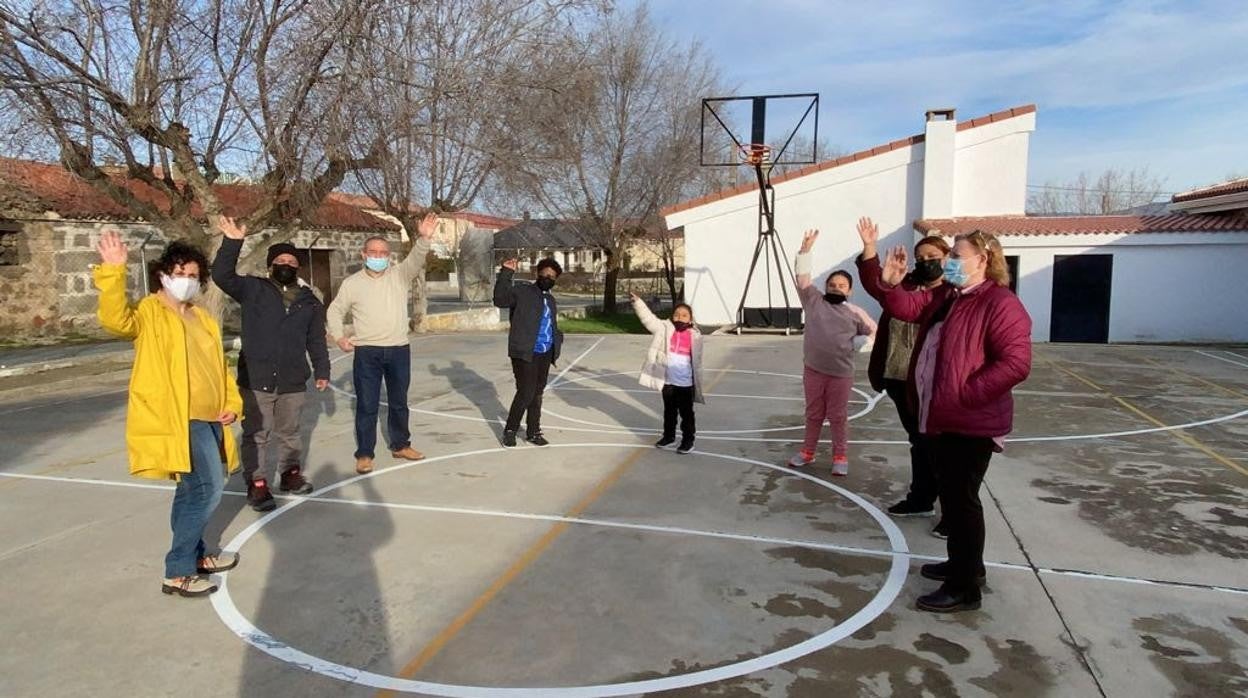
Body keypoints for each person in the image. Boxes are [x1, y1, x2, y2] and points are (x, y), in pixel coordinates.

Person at [879, 229, 1031, 613]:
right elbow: (908, 310)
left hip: (969, 422)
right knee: (955, 499)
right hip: (942, 417)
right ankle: (965, 566)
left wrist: (966, 394)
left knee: (961, 504)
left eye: (957, 256)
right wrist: (892, 286)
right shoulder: (949, 296)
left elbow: (1015, 363)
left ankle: (964, 588)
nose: (949, 262)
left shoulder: (999, 303)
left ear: (983, 260)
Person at [93, 231, 242, 598]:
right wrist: (114, 271)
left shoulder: (201, 317)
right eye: (181, 273)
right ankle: (177, 571)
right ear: (163, 274)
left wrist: (232, 404)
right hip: (179, 418)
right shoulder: (149, 312)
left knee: (190, 490)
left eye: (194, 275)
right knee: (208, 490)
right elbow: (115, 321)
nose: (187, 281)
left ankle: (197, 554)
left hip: (210, 416)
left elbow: (219, 367)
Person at [211, 218, 331, 512]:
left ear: (298, 266)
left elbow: (315, 338)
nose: (286, 264)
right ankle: (257, 483)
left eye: (291, 260)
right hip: (257, 376)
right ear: (270, 265)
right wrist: (232, 242)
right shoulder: (253, 289)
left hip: (292, 379)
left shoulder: (310, 301)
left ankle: (289, 474)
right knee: (257, 433)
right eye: (280, 259)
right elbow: (222, 275)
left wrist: (322, 370)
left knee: (289, 432)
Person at [855, 216, 952, 534]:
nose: (925, 262)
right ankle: (921, 498)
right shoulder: (905, 284)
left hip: (933, 381)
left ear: (948, 260)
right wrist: (870, 248)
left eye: (932, 257)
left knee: (939, 447)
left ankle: (953, 512)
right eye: (921, 257)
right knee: (918, 441)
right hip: (898, 375)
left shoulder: (952, 294)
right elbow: (876, 285)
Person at [327, 212, 439, 474]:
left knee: (399, 401)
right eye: (373, 252)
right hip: (367, 352)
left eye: (383, 253)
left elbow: (416, 259)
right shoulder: (352, 284)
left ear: (389, 257)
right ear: (363, 255)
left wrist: (423, 239)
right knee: (367, 404)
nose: (378, 256)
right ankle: (365, 453)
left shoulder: (399, 275)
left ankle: (400, 444)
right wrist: (339, 336)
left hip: (399, 349)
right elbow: (334, 310)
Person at [790, 229, 876, 475]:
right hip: (814, 370)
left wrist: (858, 343)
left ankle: (840, 456)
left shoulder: (855, 312)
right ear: (825, 286)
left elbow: (875, 333)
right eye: (831, 284)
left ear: (849, 291)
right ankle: (807, 452)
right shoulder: (813, 300)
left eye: (841, 286)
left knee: (837, 416)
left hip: (840, 375)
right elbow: (803, 279)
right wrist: (805, 251)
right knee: (814, 413)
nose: (836, 288)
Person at [493, 257, 564, 447]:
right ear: (537, 273)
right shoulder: (522, 291)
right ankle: (510, 430)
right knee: (526, 392)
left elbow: (552, 324)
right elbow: (499, 300)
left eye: (552, 277)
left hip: (544, 352)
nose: (548, 278)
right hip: (524, 351)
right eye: (545, 274)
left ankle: (533, 431)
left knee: (537, 393)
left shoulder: (550, 299)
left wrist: (557, 340)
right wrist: (506, 273)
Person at [630, 292, 704, 454]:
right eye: (676, 314)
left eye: (684, 315)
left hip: (685, 383)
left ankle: (688, 440)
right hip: (668, 381)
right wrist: (638, 303)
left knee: (687, 414)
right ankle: (669, 436)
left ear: (690, 319)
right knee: (669, 412)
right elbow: (648, 319)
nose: (679, 317)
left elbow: (697, 361)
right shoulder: (664, 328)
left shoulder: (695, 336)